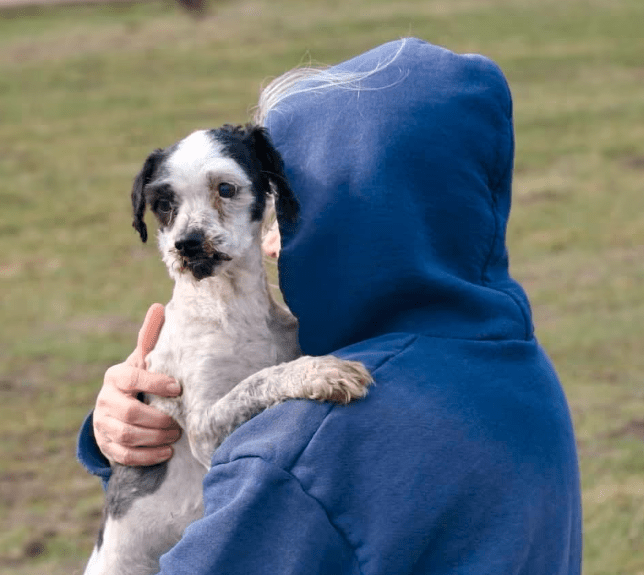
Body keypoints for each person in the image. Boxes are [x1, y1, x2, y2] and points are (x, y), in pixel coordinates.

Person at [77, 38, 582, 574]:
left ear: (353, 220)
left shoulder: (303, 447)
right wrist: (125, 429)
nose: (269, 244)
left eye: (291, 217)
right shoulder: (518, 366)